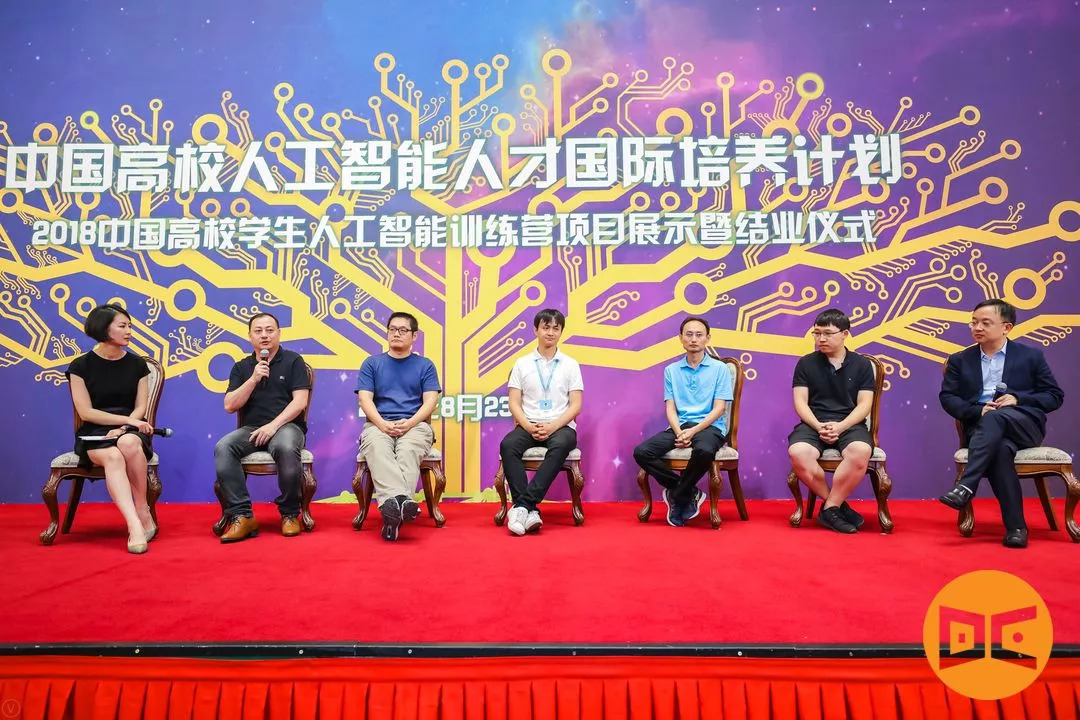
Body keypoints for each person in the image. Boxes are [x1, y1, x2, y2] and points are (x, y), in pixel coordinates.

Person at [938, 299, 1064, 548]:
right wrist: (978, 410)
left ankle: (966, 485)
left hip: (1024, 425)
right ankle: (1016, 528)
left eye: (985, 323)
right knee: (1001, 450)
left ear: (1006, 327)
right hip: (981, 428)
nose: (977, 328)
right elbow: (948, 398)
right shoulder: (960, 360)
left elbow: (1054, 396)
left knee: (996, 418)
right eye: (974, 322)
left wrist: (1018, 398)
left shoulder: (1030, 357)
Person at [66, 303, 157, 554]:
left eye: (130, 326)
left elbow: (141, 407)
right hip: (94, 432)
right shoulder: (80, 366)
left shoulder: (137, 364)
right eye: (122, 326)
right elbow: (86, 412)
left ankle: (142, 508)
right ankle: (134, 524)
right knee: (114, 456)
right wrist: (122, 423)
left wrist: (127, 426)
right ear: (103, 328)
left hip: (131, 428)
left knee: (128, 442)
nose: (129, 331)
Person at [214, 312, 311, 543]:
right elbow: (229, 405)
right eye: (258, 331)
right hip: (252, 429)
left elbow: (300, 402)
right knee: (224, 447)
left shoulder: (293, 361)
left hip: (287, 426)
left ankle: (290, 514)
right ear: (249, 336)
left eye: (269, 330)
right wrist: (253, 379)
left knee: (285, 446)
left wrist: (273, 426)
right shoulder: (242, 367)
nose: (264, 335)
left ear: (279, 333)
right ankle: (242, 516)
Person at [632, 317, 733, 526]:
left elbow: (719, 408)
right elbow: (670, 407)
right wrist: (679, 432)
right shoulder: (672, 370)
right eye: (689, 334)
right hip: (681, 426)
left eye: (699, 335)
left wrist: (693, 432)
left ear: (707, 338)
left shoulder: (719, 369)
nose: (693, 339)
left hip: (709, 427)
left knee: (704, 450)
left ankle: (678, 495)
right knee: (642, 452)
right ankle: (688, 491)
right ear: (680, 338)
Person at [787, 308, 875, 534]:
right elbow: (800, 402)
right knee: (798, 452)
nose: (821, 339)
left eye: (827, 333)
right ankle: (835, 506)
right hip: (813, 423)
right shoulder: (806, 363)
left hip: (850, 424)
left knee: (860, 451)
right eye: (817, 333)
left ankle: (829, 509)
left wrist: (841, 426)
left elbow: (865, 404)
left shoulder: (862, 365)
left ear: (845, 334)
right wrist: (818, 426)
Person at [356, 311, 441, 542]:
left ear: (414, 336)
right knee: (377, 448)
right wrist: (382, 424)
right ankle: (401, 503)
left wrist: (410, 423)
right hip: (378, 424)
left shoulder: (425, 365)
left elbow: (431, 402)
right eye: (392, 329)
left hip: (416, 425)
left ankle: (392, 511)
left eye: (403, 330)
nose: (396, 334)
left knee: (407, 450)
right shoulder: (372, 363)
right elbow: (365, 399)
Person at [500, 309, 584, 535]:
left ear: (561, 332)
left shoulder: (570, 364)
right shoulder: (522, 364)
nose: (551, 332)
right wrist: (528, 426)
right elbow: (514, 402)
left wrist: (553, 426)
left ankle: (523, 506)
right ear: (536, 330)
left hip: (560, 426)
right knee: (508, 445)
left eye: (556, 328)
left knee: (561, 444)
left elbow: (576, 405)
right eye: (546, 327)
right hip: (529, 424)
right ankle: (530, 510)